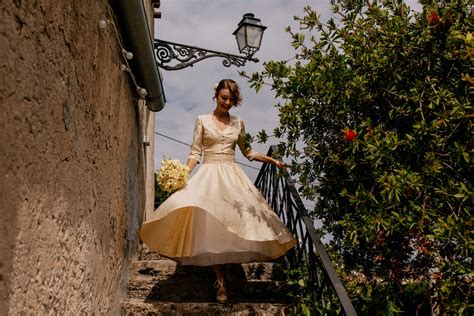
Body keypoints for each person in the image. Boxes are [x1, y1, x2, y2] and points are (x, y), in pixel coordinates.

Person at [140, 79, 296, 303]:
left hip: (233, 176)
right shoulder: (202, 120)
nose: (227, 102)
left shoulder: (238, 123)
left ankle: (232, 260)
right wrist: (183, 172)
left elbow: (249, 152)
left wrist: (273, 160)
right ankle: (220, 279)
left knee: (237, 220)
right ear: (216, 96)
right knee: (210, 226)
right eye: (224, 98)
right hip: (209, 174)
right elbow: (195, 152)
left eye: (232, 99)